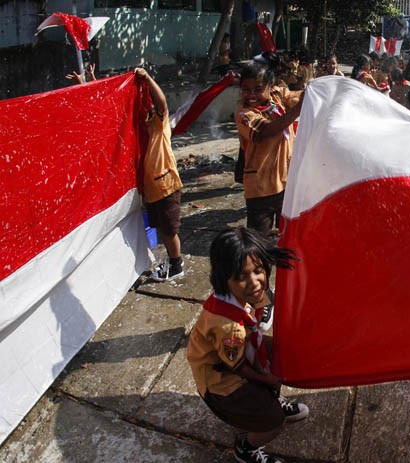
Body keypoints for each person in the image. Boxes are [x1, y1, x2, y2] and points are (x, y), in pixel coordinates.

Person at [187, 228, 309, 463]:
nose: (254, 282)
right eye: (242, 276)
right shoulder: (229, 328)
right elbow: (237, 366)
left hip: (239, 357)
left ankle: (267, 400)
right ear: (225, 279)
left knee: (281, 352)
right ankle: (247, 448)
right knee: (274, 423)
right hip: (221, 385)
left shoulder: (244, 295)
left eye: (258, 270)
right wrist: (268, 380)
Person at [236, 61, 303, 235]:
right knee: (259, 238)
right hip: (260, 188)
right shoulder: (243, 113)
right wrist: (296, 111)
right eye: (245, 89)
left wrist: (315, 91)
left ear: (269, 86)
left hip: (285, 182)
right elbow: (267, 130)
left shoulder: (276, 96)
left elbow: (299, 97)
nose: (251, 95)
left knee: (287, 233)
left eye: (257, 89)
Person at [132, 68, 186, 282]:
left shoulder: (158, 123)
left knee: (170, 230)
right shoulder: (139, 127)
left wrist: (147, 78)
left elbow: (162, 102)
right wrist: (89, 81)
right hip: (152, 191)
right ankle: (173, 262)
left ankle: (176, 264)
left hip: (166, 185)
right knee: (163, 230)